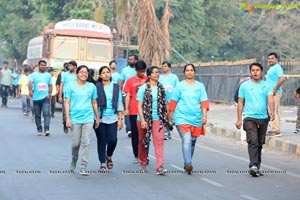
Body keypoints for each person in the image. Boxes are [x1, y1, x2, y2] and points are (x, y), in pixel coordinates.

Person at [168, 64, 209, 175]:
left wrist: (204, 116)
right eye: (187, 70)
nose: (189, 72)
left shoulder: (200, 86)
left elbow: (203, 102)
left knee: (193, 141)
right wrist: (170, 117)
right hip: (182, 117)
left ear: (194, 72)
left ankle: (187, 162)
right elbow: (173, 102)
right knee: (186, 139)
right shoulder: (180, 86)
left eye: (191, 70)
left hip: (196, 118)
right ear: (184, 72)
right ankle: (188, 163)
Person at [236, 62, 275, 177]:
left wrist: (272, 111)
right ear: (250, 72)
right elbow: (240, 102)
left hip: (263, 117)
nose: (255, 72)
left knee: (260, 143)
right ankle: (253, 165)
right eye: (253, 70)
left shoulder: (266, 85)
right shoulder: (244, 86)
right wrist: (239, 119)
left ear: (261, 72)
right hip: (249, 117)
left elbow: (270, 98)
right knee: (253, 140)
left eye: (257, 70)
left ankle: (256, 167)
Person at [65, 65, 100, 176]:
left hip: (88, 118)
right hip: (74, 118)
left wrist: (97, 117)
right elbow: (67, 102)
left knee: (86, 143)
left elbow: (94, 102)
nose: (84, 74)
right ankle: (74, 159)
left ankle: (84, 166)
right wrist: (67, 119)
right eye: (81, 72)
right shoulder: (70, 86)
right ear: (77, 73)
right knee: (75, 143)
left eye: (86, 72)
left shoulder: (91, 87)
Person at [137, 66, 171, 175]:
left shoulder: (162, 88)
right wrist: (142, 120)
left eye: (158, 72)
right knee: (143, 141)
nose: (157, 74)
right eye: (154, 72)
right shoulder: (143, 88)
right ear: (149, 75)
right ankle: (143, 162)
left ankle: (160, 166)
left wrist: (168, 119)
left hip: (158, 119)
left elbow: (167, 104)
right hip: (144, 118)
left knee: (159, 141)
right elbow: (139, 106)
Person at [93, 66, 123, 173]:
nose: (106, 74)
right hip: (99, 118)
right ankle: (102, 164)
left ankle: (109, 155)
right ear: (100, 75)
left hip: (113, 117)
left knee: (113, 140)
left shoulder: (116, 87)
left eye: (108, 72)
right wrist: (96, 118)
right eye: (103, 72)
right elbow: (93, 102)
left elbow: (119, 102)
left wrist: (120, 119)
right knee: (102, 141)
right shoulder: (96, 87)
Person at [123, 60, 148, 163]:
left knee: (145, 134)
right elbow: (128, 95)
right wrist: (126, 109)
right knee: (135, 134)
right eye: (140, 71)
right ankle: (136, 154)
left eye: (144, 71)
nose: (142, 73)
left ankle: (144, 154)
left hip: (146, 111)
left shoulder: (148, 79)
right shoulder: (130, 81)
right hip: (134, 111)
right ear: (136, 70)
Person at [28, 60, 52, 136]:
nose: (43, 66)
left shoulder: (48, 75)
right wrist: (30, 91)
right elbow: (30, 83)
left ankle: (47, 129)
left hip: (45, 97)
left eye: (44, 65)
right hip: (36, 98)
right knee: (37, 115)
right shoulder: (33, 75)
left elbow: (50, 85)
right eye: (41, 65)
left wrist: (50, 94)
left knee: (46, 113)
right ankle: (39, 129)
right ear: (38, 66)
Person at [265, 52, 285, 137]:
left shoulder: (277, 67)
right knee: (275, 110)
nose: (270, 60)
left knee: (271, 110)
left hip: (274, 92)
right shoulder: (272, 68)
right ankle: (276, 128)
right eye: (269, 58)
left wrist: (274, 89)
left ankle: (276, 130)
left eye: (272, 58)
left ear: (276, 59)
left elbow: (282, 79)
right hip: (271, 92)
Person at [158, 61, 179, 140]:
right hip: (162, 99)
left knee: (171, 117)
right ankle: (166, 133)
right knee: (164, 116)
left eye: (165, 66)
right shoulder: (159, 77)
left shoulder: (174, 77)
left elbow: (177, 88)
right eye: (163, 66)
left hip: (172, 100)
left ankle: (169, 127)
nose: (164, 68)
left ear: (169, 67)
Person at [119, 55, 139, 137]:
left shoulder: (139, 70)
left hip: (137, 95)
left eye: (131, 59)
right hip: (126, 94)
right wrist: (119, 93)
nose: (129, 61)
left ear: (136, 60)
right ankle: (129, 129)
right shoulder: (124, 70)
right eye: (129, 59)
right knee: (127, 111)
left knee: (136, 111)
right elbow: (121, 82)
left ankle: (136, 128)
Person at [58, 61, 78, 134]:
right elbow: (61, 84)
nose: (69, 67)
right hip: (66, 96)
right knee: (64, 112)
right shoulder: (65, 74)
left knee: (74, 112)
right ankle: (65, 123)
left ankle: (74, 126)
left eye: (70, 66)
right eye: (68, 66)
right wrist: (60, 96)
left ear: (75, 67)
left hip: (75, 96)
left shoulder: (78, 75)